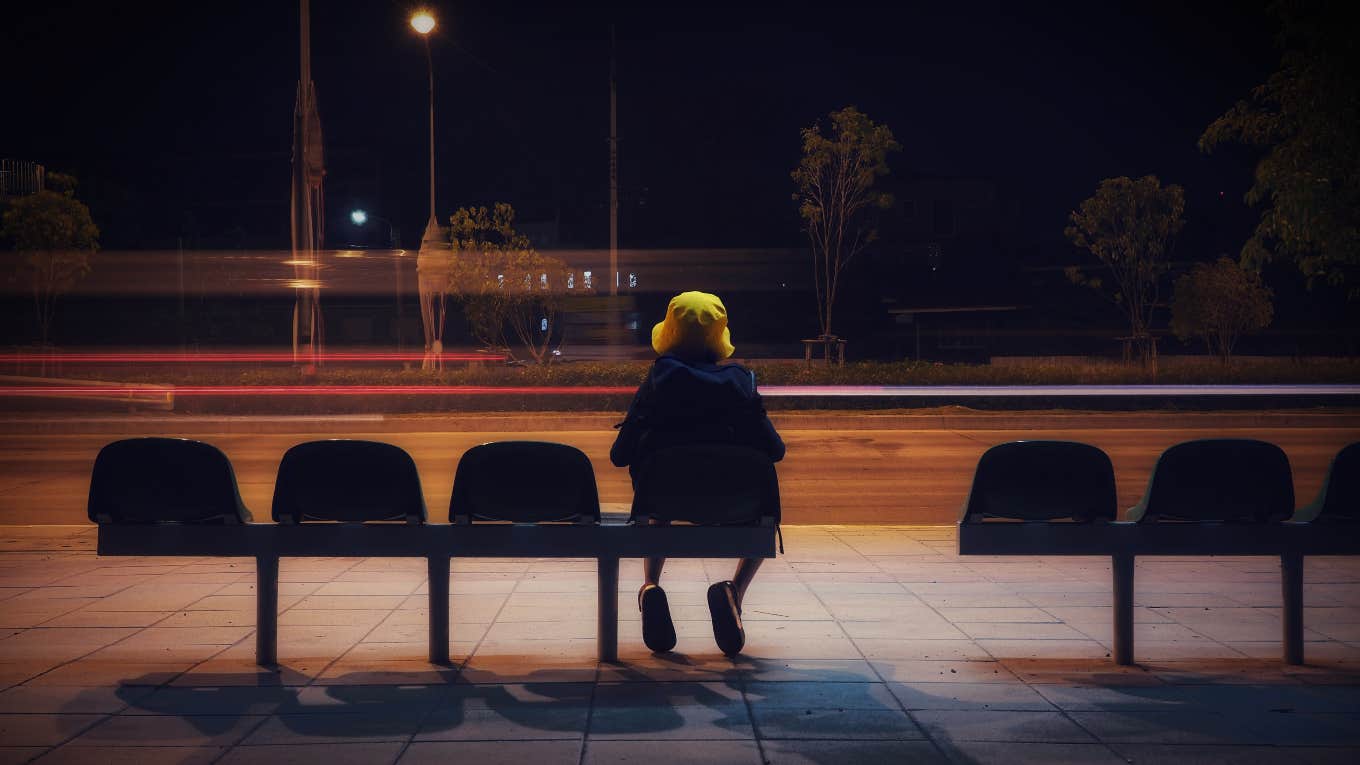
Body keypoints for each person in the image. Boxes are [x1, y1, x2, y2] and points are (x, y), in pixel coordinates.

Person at [610, 291, 785, 656]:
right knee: (761, 516)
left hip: (666, 498)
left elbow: (619, 455)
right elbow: (776, 450)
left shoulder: (658, 382)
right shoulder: (741, 385)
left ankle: (650, 587)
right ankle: (734, 592)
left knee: (659, 510)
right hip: (737, 505)